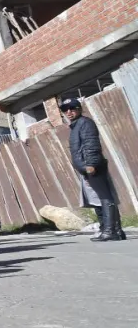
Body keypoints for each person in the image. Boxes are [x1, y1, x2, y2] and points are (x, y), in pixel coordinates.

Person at [60, 97, 125, 242]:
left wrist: (91, 165)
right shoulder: (76, 125)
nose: (69, 112)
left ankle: (110, 231)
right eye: (65, 110)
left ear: (79, 109)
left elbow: (91, 145)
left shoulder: (85, 123)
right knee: (98, 199)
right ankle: (115, 230)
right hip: (87, 167)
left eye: (72, 108)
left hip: (92, 167)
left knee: (105, 197)